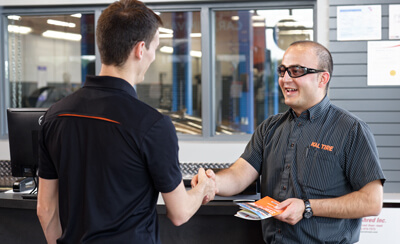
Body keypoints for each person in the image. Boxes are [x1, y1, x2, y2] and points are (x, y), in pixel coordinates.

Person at [36, 1, 216, 243]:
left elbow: (46, 209)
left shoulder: (55, 116)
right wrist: (203, 187)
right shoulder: (153, 125)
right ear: (141, 49)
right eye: (155, 48)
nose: (153, 56)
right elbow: (180, 212)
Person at [192, 40, 385, 243]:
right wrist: (213, 183)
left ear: (322, 79)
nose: (285, 79)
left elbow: (371, 201)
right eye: (282, 71)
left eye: (296, 71)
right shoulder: (270, 128)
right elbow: (240, 174)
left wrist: (307, 207)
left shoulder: (351, 130)